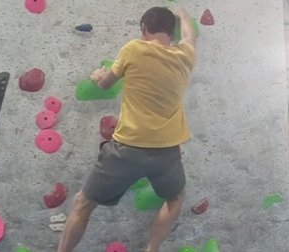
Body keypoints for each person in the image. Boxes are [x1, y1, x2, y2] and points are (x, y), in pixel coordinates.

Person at [56, 6, 197, 252]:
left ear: (144, 29)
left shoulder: (134, 48)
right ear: (170, 32)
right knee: (174, 200)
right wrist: (183, 15)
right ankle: (151, 249)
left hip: (127, 149)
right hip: (166, 153)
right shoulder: (185, 55)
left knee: (83, 203)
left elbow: (105, 84)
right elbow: (189, 36)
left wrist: (97, 75)